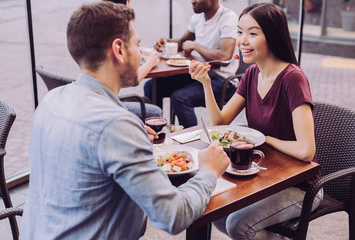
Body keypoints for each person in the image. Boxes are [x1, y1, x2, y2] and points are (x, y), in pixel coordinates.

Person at [19, 2, 230, 239]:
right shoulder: (115, 125)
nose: (142, 54)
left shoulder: (51, 100)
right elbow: (173, 216)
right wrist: (209, 171)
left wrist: (132, 142)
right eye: (138, 45)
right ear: (119, 50)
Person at [189, 3, 323, 239]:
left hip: (300, 185)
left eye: (252, 33)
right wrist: (206, 84)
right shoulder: (251, 74)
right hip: (265, 174)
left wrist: (268, 139)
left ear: (272, 36)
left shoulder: (292, 79)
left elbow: (306, 150)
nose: (242, 40)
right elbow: (219, 122)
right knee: (214, 210)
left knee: (237, 224)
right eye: (240, 32)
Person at [144, 0, 239, 128]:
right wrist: (166, 42)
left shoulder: (228, 18)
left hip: (222, 80)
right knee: (151, 86)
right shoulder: (197, 18)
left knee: (180, 98)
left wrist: (195, 46)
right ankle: (156, 133)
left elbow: (224, 57)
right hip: (197, 73)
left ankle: (191, 141)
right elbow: (183, 42)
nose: (192, 1)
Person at [102, 0, 162, 120]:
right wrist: (150, 62)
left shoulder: (101, 26)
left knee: (148, 98)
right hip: (110, 103)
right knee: (156, 111)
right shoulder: (119, 27)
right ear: (128, 2)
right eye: (136, 44)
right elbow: (130, 79)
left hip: (102, 99)